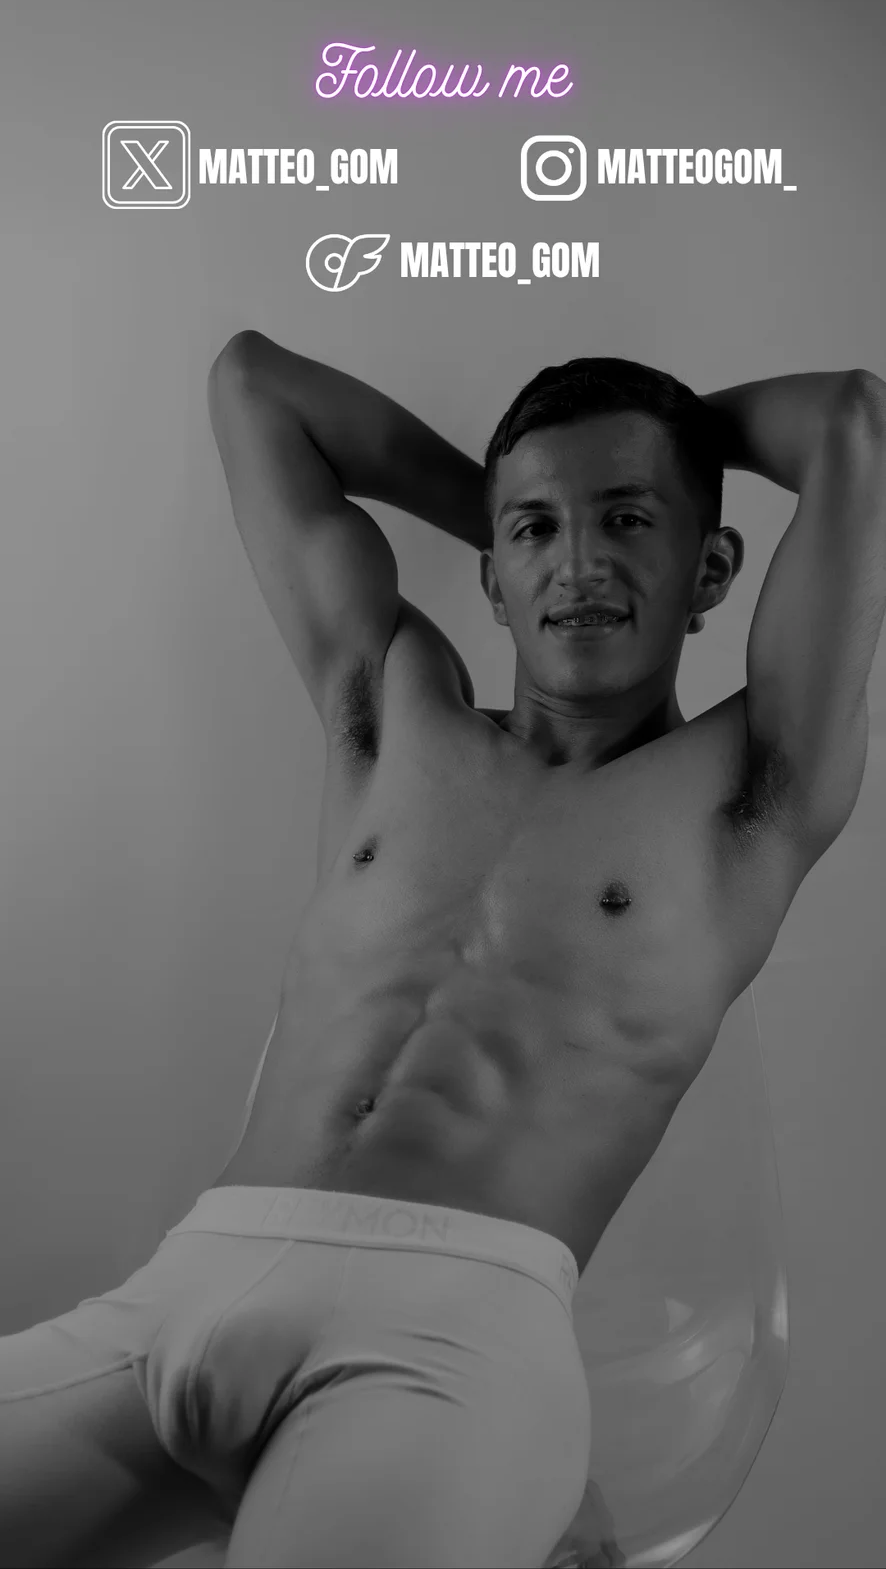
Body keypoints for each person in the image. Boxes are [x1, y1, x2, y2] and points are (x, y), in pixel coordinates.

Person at [2, 336, 884, 1569]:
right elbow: (253, 385)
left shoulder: (749, 796)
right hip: (182, 1291)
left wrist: (669, 443)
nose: (578, 565)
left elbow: (850, 423)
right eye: (535, 533)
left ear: (712, 567)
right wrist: (519, 503)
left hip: (451, 1348)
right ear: (490, 570)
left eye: (628, 521)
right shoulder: (388, 707)